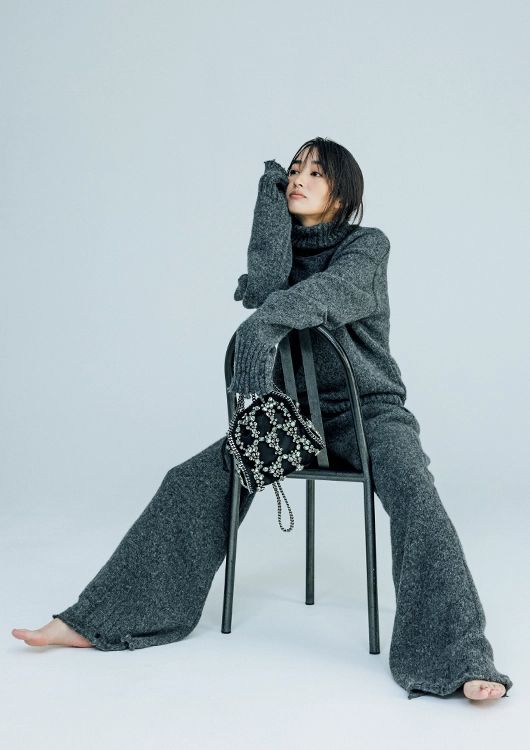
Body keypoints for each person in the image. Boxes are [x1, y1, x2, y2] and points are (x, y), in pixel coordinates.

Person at [12, 137, 512, 702]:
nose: (298, 178)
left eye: (315, 172)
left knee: (417, 495)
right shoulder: (282, 250)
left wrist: (265, 321)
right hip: (293, 418)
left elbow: (330, 292)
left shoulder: (367, 246)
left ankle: (459, 657)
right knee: (191, 481)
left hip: (369, 413)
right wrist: (268, 207)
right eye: (294, 170)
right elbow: (265, 284)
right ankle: (97, 621)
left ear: (342, 192)